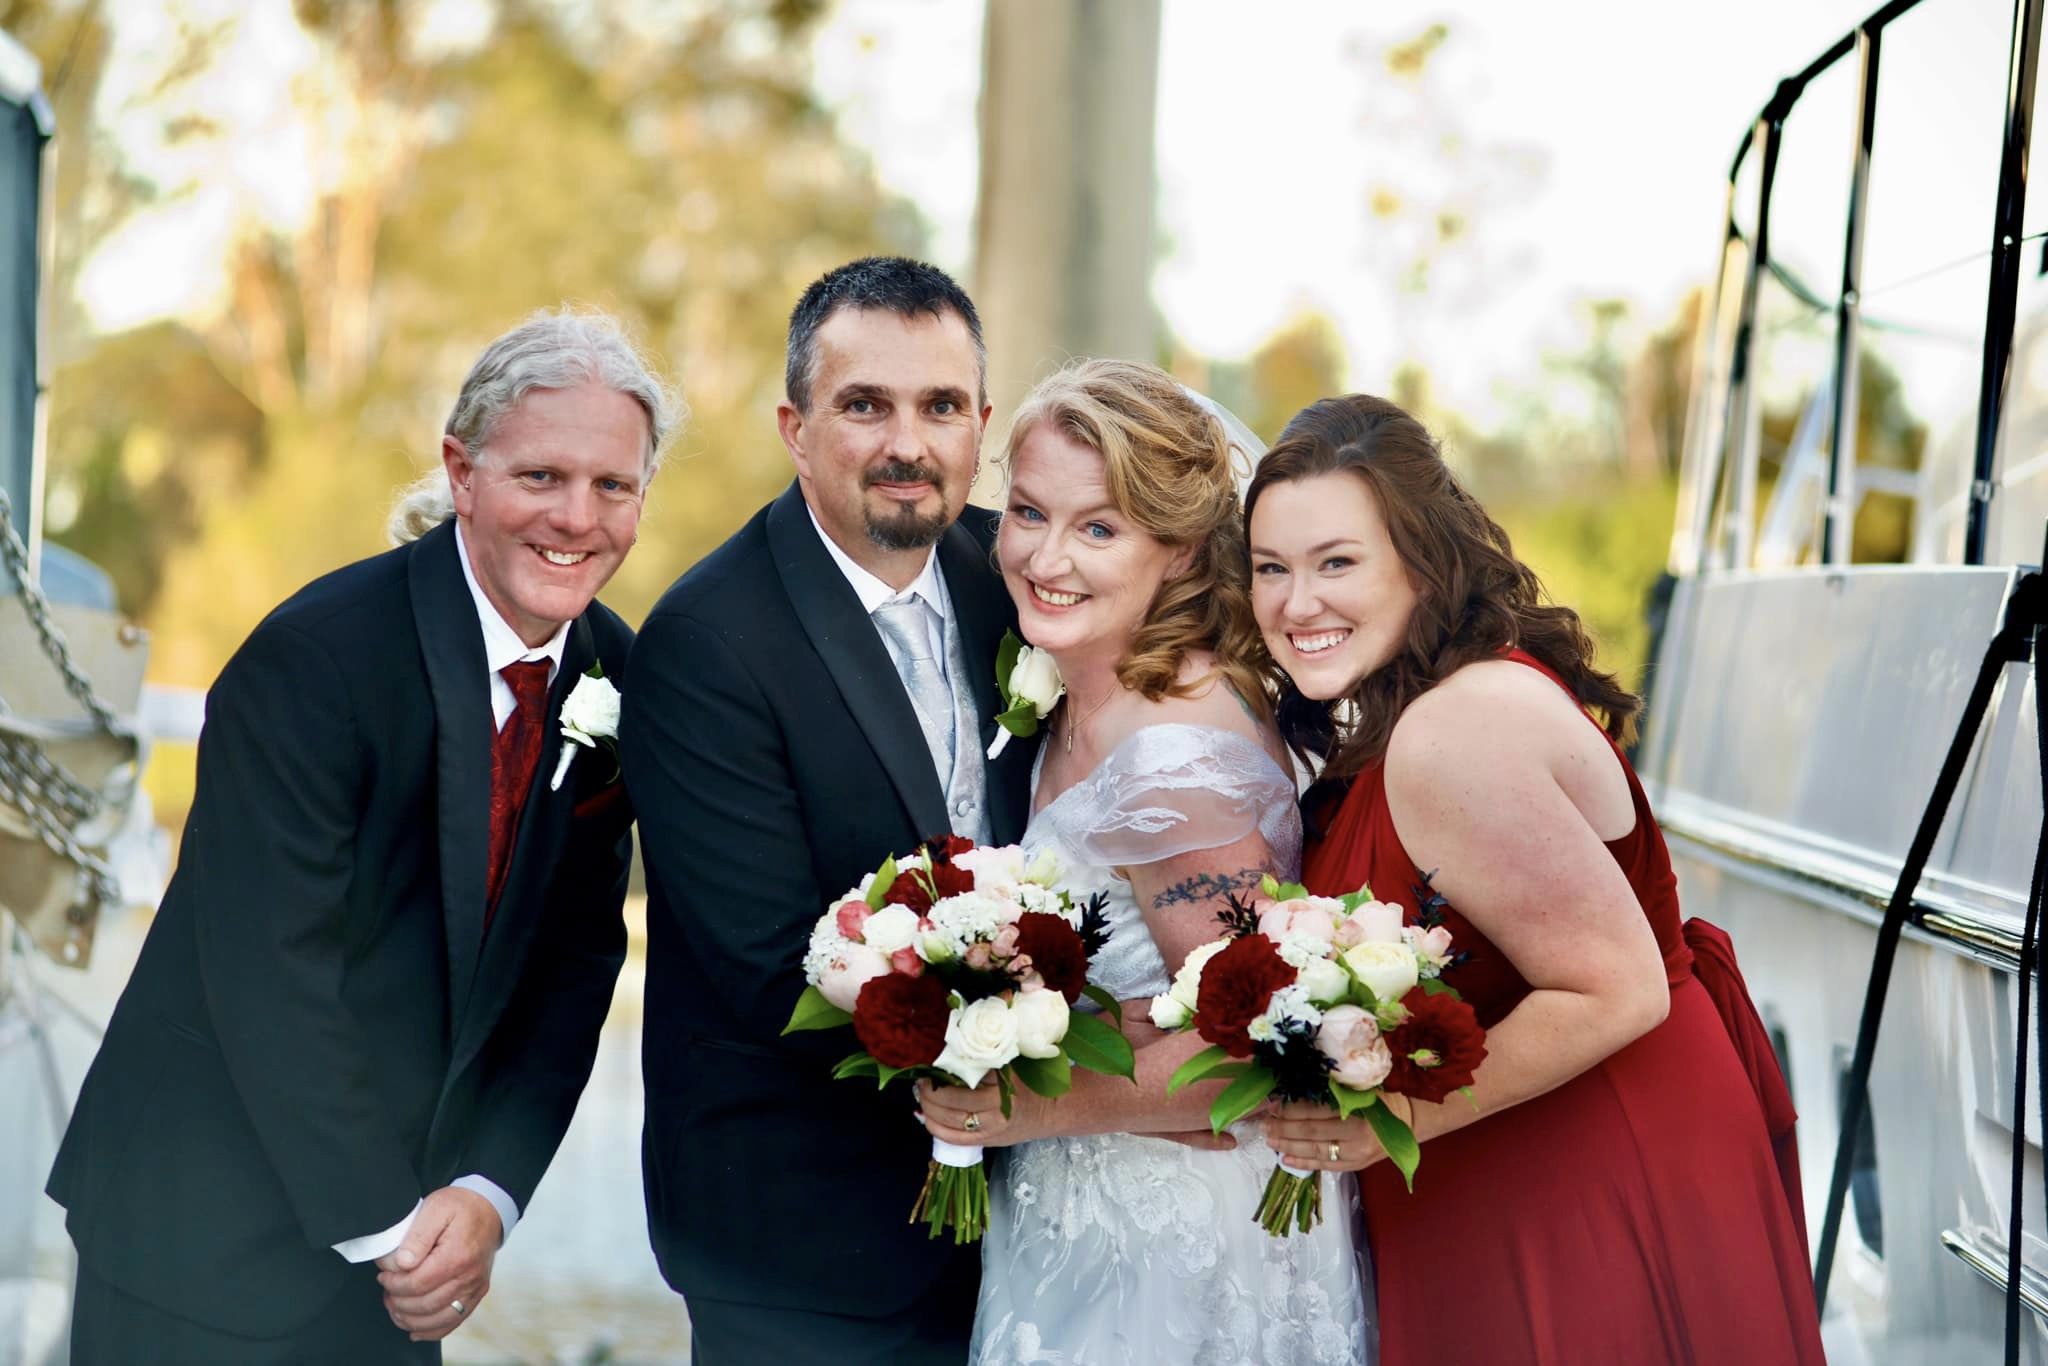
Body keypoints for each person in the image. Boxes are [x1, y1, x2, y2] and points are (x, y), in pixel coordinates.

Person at [45, 308, 675, 1364]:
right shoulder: (315, 660)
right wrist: (393, 1232)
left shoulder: (612, 674)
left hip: (410, 1256)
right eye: (541, 476)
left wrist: (487, 1194)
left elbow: (572, 968)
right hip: (198, 1237)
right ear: (462, 472)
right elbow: (269, 971)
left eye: (613, 485)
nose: (577, 516)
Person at [1249, 394, 1822, 1365]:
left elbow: (1616, 987)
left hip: (1583, 1178)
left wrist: (1391, 1117)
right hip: (1514, 1169)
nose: (1296, 603)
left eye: (1335, 562)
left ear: (1421, 562)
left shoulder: (1453, 728)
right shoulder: (1426, 701)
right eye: (1271, 568)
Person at [914, 358, 1373, 1366]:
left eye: (1098, 529)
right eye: (1028, 513)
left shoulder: (1173, 758)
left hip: (1173, 1245)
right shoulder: (1081, 690)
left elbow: (1258, 1045)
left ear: (1180, 550)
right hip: (1084, 1215)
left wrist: (1016, 1103)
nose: (1046, 557)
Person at [623, 257, 1038, 1364]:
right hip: (804, 1250)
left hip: (1024, 1236)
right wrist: (1060, 1062)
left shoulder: (1020, 581)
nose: (908, 444)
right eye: (864, 406)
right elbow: (769, 968)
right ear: (795, 430)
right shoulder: (707, 642)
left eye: (940, 406)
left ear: (980, 424)